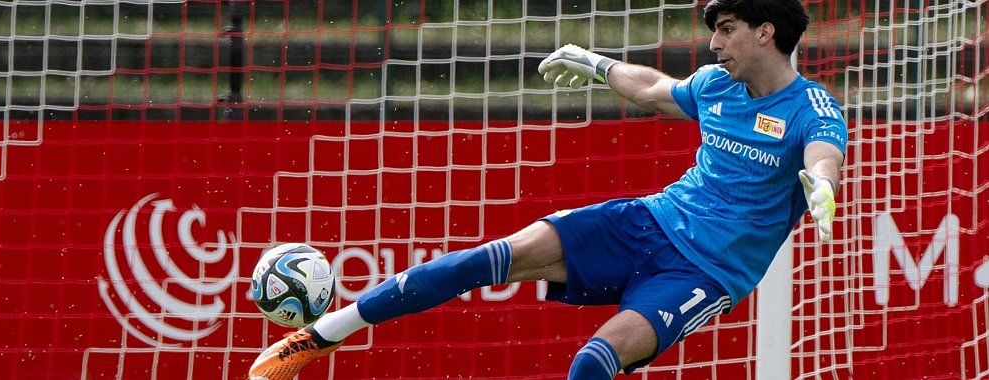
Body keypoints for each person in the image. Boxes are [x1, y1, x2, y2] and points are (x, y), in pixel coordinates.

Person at [248, 0, 847, 378]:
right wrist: (596, 63)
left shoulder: (812, 106)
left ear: (766, 31)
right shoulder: (718, 85)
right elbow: (654, 88)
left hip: (706, 273)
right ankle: (321, 336)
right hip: (647, 220)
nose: (714, 43)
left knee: (594, 360)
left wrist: (820, 185)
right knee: (488, 260)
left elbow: (824, 154)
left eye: (726, 29)